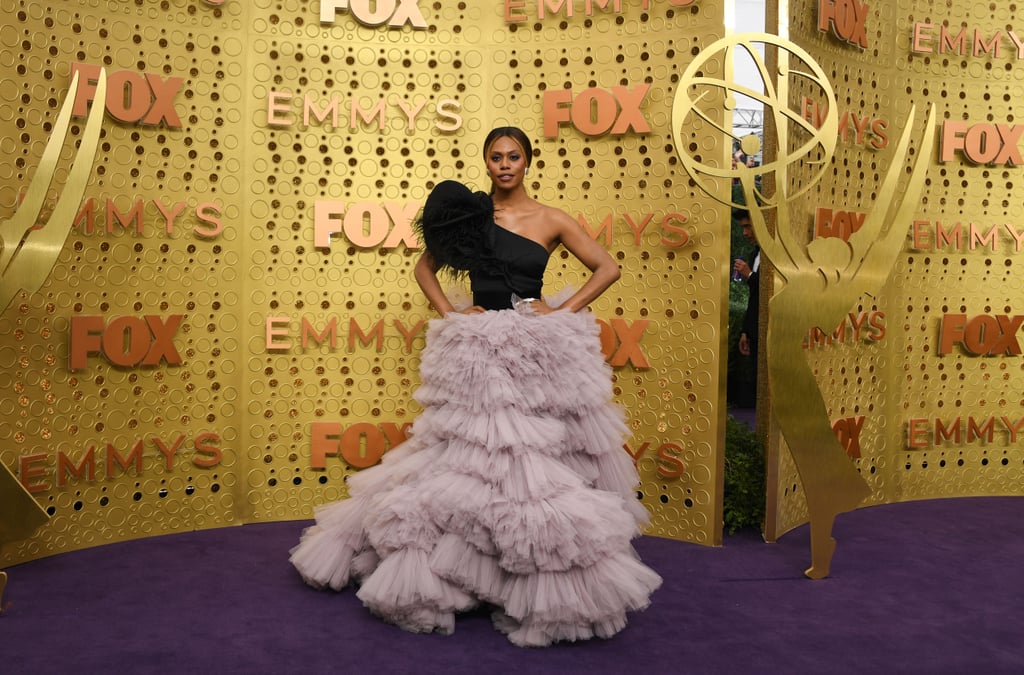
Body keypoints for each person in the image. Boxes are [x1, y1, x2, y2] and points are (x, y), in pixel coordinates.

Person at [290, 126, 662, 647]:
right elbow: (426, 268)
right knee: (470, 461)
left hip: (536, 350)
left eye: (514, 156)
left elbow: (607, 267)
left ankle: (524, 575)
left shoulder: (551, 219)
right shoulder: (472, 215)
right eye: (496, 157)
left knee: (534, 463)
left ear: (528, 161)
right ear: (486, 163)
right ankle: (460, 571)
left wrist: (558, 310)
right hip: (479, 350)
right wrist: (452, 315)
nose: (505, 164)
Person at [732, 209, 759, 403]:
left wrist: (749, 274)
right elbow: (754, 299)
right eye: (743, 228)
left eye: (748, 226)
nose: (745, 233)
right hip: (755, 330)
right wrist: (745, 332)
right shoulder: (755, 253)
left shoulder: (770, 255)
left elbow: (769, 290)